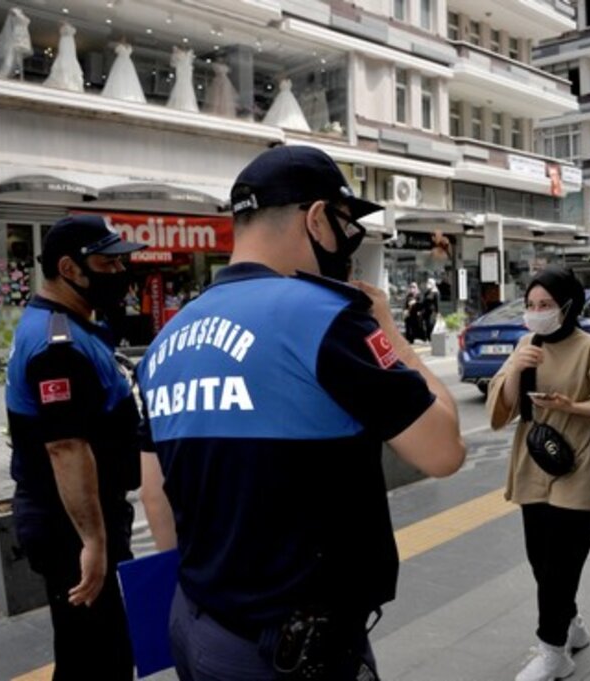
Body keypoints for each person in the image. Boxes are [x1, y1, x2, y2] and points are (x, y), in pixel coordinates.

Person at [136, 145, 466, 681]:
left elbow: (155, 494)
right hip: (294, 650)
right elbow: (444, 450)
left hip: (197, 628)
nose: (346, 241)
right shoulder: (325, 318)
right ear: (316, 218)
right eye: (343, 223)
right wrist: (392, 336)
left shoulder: (166, 340)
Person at [5, 214, 147, 679]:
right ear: (69, 268)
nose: (119, 275)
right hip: (72, 524)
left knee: (89, 645)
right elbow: (65, 446)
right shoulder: (58, 346)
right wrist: (93, 539)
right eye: (107, 264)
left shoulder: (73, 327)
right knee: (97, 655)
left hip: (78, 518)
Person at [487, 266, 590, 681]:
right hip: (534, 462)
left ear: (568, 306)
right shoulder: (525, 344)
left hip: (580, 461)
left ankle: (553, 652)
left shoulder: (589, 348)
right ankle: (570, 625)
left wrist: (572, 407)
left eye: (545, 305)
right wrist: (515, 368)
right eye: (531, 305)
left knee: (561, 565)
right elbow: (501, 409)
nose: (536, 313)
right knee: (540, 559)